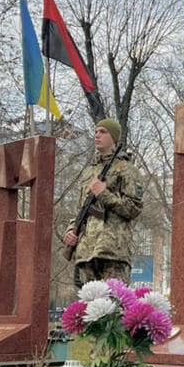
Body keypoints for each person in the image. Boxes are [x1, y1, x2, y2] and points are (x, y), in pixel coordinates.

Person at [63, 119, 144, 289]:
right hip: (87, 250)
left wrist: (104, 194)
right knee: (91, 309)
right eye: (96, 132)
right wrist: (71, 230)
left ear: (114, 138)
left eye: (103, 131)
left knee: (115, 306)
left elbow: (133, 208)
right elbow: (81, 209)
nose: (97, 135)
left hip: (113, 250)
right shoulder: (89, 172)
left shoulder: (127, 170)